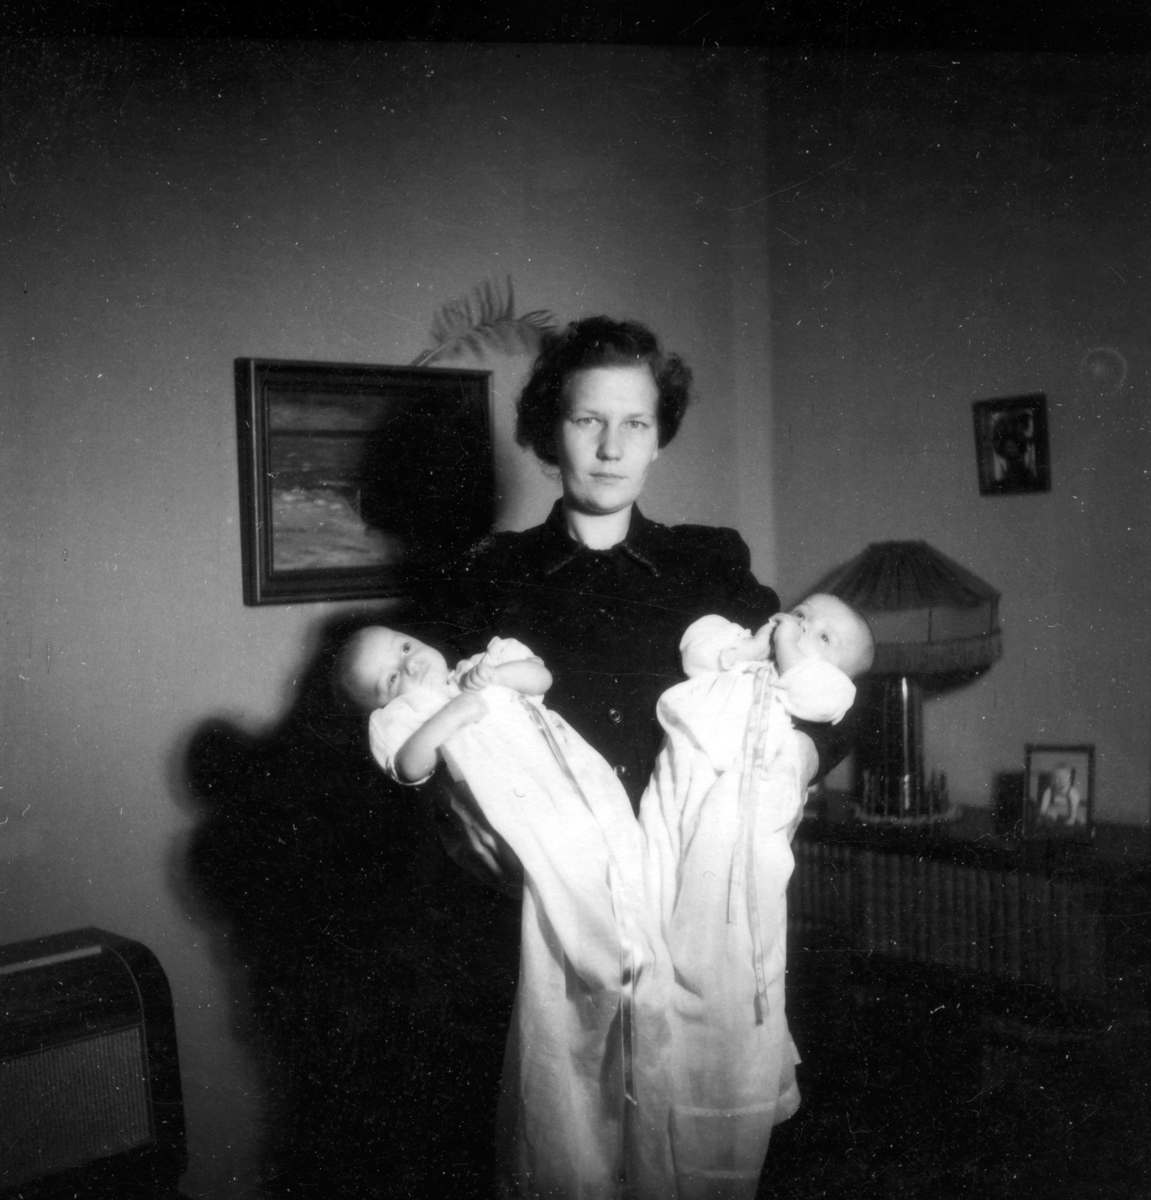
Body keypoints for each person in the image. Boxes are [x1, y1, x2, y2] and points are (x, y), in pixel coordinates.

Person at [418, 315, 854, 1196]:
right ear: (550, 432)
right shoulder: (486, 575)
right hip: (544, 923)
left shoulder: (709, 563)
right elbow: (432, 734)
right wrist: (461, 830)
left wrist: (797, 764)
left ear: (660, 438)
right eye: (588, 420)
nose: (612, 448)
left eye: (636, 423)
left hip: (693, 918)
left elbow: (822, 686)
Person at [339, 625, 657, 1197]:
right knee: (582, 923)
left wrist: (493, 678)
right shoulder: (403, 717)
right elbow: (410, 765)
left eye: (405, 649)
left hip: (582, 792)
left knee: (629, 878)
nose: (410, 668)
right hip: (530, 825)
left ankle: (641, 996)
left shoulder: (486, 661)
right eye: (390, 678)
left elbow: (540, 676)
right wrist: (456, 711)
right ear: (381, 702)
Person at [635, 594, 873, 1197]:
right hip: (674, 786)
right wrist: (746, 647)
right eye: (804, 613)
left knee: (718, 937)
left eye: (825, 638)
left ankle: (713, 1120)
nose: (804, 627)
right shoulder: (738, 643)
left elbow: (823, 699)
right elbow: (697, 649)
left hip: (735, 801)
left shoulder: (820, 688)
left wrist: (792, 654)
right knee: (650, 895)